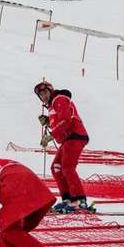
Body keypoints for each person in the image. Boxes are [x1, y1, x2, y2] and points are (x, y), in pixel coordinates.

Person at [34, 80, 90, 213]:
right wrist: (48, 122)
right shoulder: (52, 106)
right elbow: (59, 122)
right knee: (56, 167)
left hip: (75, 136)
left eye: (45, 92)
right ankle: (68, 199)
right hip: (67, 139)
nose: (44, 96)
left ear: (51, 91)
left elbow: (66, 120)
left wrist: (50, 136)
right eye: (41, 95)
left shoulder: (59, 99)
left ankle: (79, 200)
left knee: (67, 167)